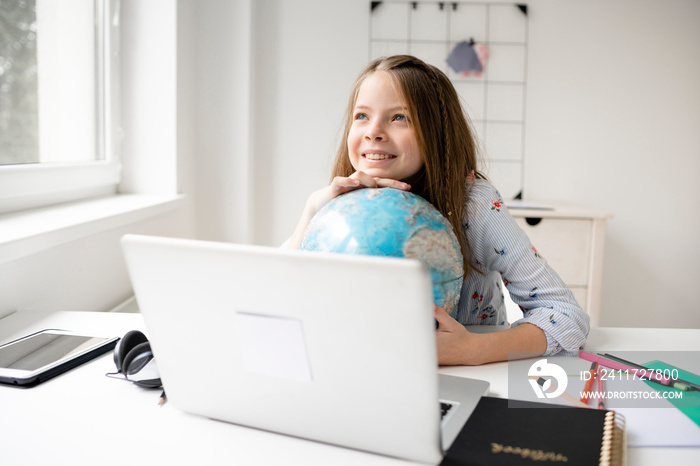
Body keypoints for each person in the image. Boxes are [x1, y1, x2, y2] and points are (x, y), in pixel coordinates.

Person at [288, 55, 589, 365]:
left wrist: (472, 350)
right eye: (362, 115)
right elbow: (275, 299)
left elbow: (567, 315)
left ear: (437, 132)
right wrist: (311, 212)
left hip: (463, 379)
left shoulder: (475, 205)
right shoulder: (337, 210)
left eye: (399, 117)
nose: (373, 132)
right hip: (362, 369)